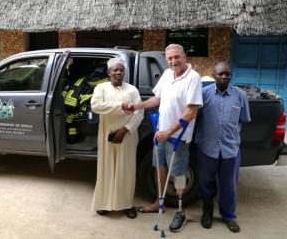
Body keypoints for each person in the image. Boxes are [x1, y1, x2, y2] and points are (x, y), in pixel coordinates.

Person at [126, 44, 202, 232]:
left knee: (178, 174)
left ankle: (180, 211)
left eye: (177, 57)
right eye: (170, 58)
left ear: (184, 57)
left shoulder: (193, 78)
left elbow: (192, 111)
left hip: (178, 136)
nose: (173, 61)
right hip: (160, 134)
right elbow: (156, 98)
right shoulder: (168, 75)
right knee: (159, 168)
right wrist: (137, 106)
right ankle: (156, 203)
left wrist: (169, 132)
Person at [194, 62, 251, 233]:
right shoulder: (203, 94)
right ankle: (207, 211)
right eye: (220, 74)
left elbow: (244, 119)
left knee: (229, 185)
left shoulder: (240, 95)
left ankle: (228, 216)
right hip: (207, 148)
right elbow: (195, 118)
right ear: (213, 74)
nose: (224, 77)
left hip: (230, 149)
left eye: (227, 74)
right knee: (205, 182)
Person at [90, 58, 144, 219]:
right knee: (106, 169)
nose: (118, 72)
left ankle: (126, 205)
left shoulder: (132, 90)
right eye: (115, 70)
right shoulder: (101, 88)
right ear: (109, 72)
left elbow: (139, 112)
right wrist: (120, 106)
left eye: (121, 70)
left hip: (127, 136)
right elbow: (96, 106)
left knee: (126, 171)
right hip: (107, 135)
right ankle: (104, 204)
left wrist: (125, 130)